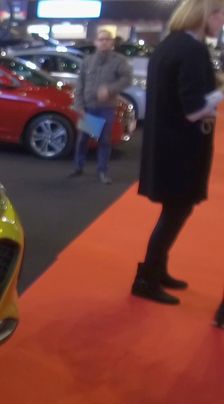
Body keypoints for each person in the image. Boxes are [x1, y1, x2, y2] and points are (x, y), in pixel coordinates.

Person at [132, 0, 224, 305]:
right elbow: (193, 109)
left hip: (166, 144)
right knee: (176, 211)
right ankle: (147, 278)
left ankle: (157, 271)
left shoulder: (168, 45)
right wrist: (220, 95)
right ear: (206, 14)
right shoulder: (192, 50)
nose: (222, 22)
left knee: (173, 210)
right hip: (182, 148)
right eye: (220, 15)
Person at [69, 30, 133, 184]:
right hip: (89, 107)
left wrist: (110, 90)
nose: (104, 42)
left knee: (104, 140)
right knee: (83, 140)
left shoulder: (119, 61)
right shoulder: (88, 61)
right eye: (101, 39)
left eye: (107, 39)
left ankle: (102, 171)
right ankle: (78, 167)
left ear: (112, 42)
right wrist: (79, 106)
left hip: (106, 108)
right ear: (96, 42)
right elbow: (80, 85)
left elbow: (127, 79)